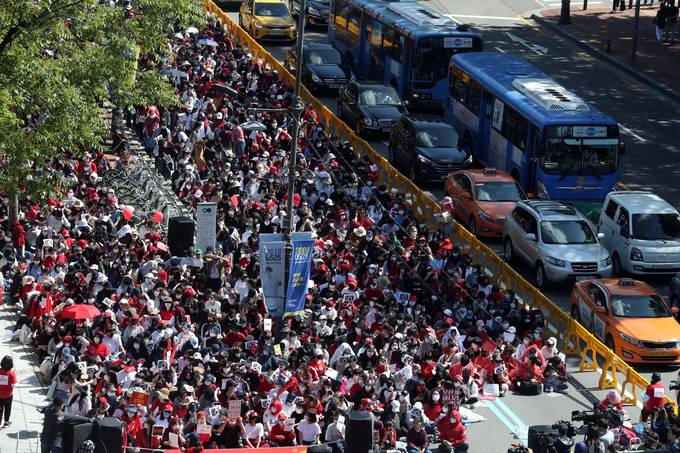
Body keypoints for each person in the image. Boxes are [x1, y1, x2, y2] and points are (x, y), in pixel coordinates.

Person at [0, 356, 16, 428]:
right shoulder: (12, 373)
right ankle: (6, 422)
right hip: (8, 396)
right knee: (8, 408)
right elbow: (13, 385)